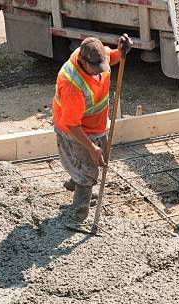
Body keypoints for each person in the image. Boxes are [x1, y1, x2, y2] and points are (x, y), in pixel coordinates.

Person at [53, 34, 132, 223]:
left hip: (96, 125)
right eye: (94, 68)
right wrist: (91, 147)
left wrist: (122, 51)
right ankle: (78, 215)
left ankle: (76, 180)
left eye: (100, 66)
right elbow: (72, 124)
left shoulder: (96, 54)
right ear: (82, 60)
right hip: (73, 130)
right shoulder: (72, 84)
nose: (98, 72)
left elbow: (111, 57)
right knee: (89, 172)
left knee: (100, 159)